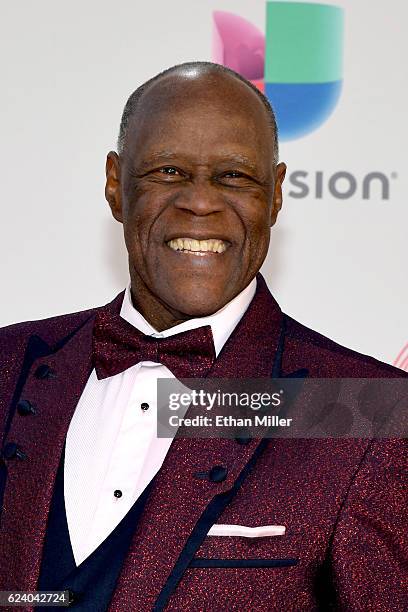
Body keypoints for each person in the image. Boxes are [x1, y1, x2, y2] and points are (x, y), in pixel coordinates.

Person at [0, 62, 406, 612]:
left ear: (277, 194)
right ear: (116, 185)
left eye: (233, 176)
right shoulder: (9, 364)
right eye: (168, 171)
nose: (199, 201)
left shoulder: (368, 412)